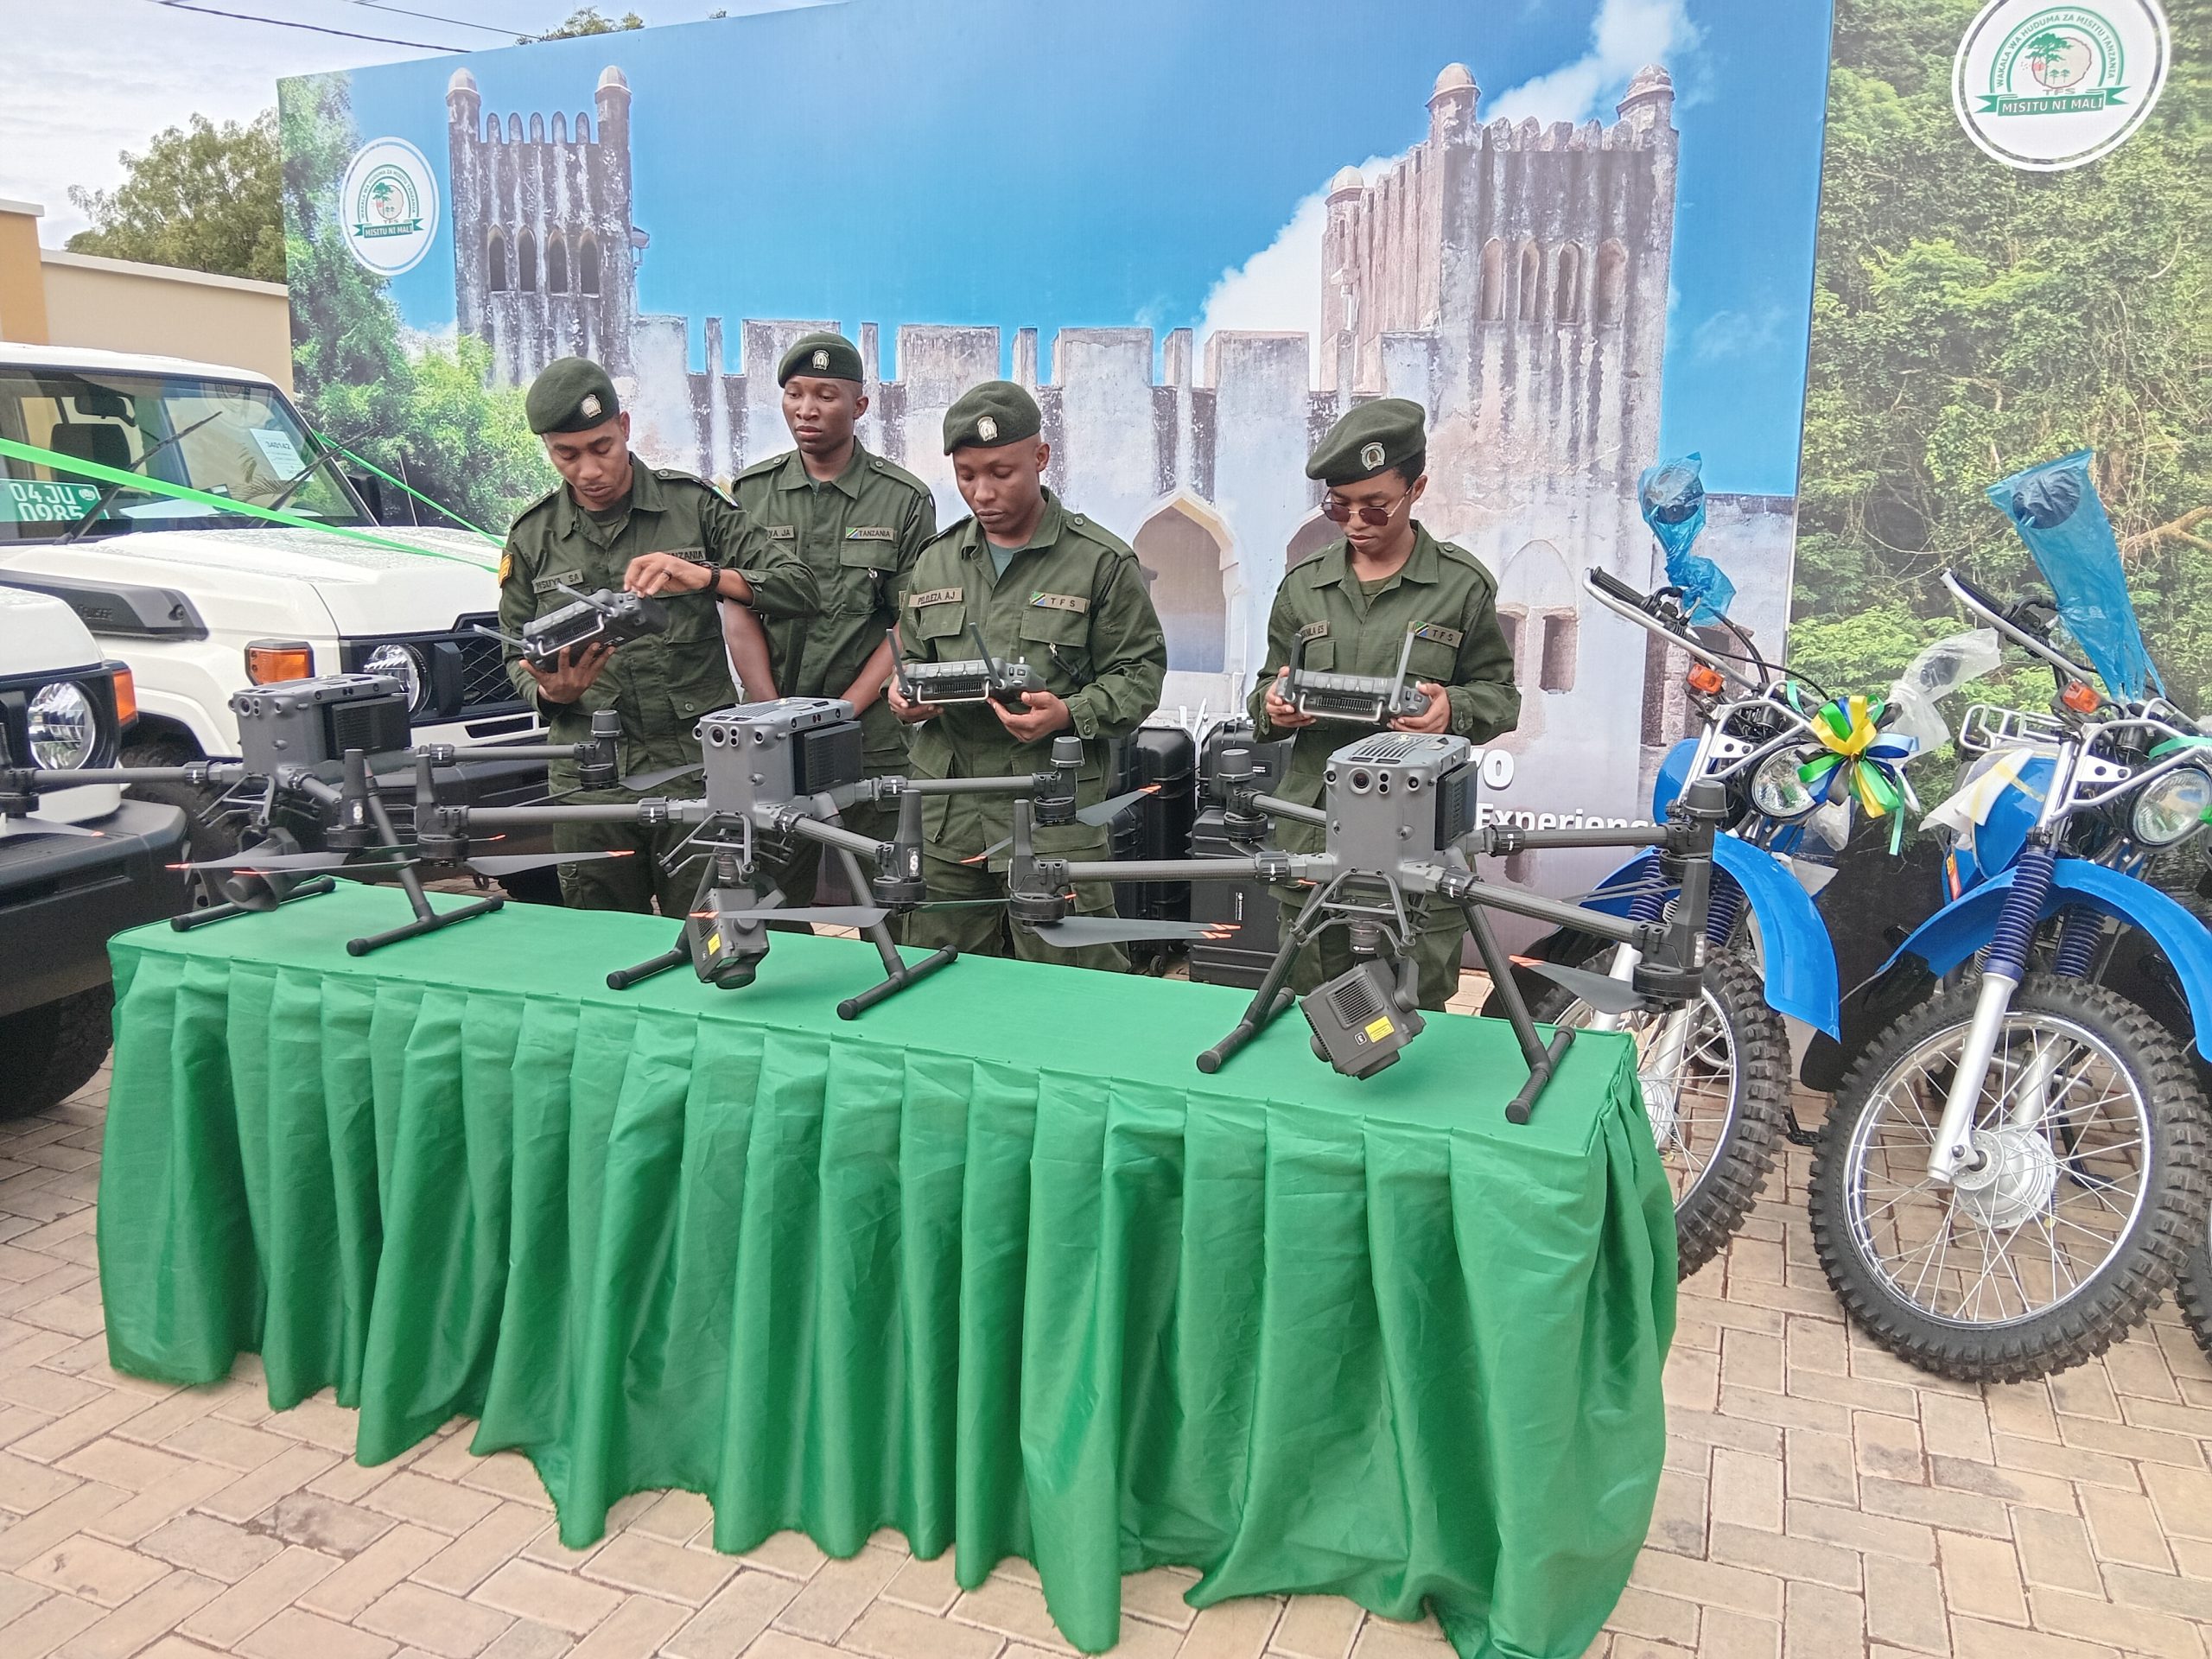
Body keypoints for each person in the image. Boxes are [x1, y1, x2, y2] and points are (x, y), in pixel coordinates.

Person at [496, 356, 817, 912]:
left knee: (718, 929)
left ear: (623, 427)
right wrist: (551, 694)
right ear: (548, 448)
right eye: (566, 455)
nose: (588, 471)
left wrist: (707, 577)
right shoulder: (532, 536)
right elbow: (512, 651)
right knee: (604, 940)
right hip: (591, 780)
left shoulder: (693, 506)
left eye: (601, 447)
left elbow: (800, 588)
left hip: (699, 770)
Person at [1248, 397, 1519, 1009]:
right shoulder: (1303, 586)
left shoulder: (1461, 586)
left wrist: (1451, 710)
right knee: (1317, 1007)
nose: (1354, 522)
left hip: (1417, 836)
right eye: (1337, 505)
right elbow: (1263, 693)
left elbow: (1502, 698)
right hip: (1318, 832)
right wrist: (1274, 706)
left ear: (1416, 489)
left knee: (1413, 1007)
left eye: (1374, 506)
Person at [887, 380, 1166, 970]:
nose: (982, 492)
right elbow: (911, 660)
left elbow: (1140, 676)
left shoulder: (1099, 562)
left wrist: (1068, 713)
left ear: (1041, 457)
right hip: (947, 815)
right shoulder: (936, 560)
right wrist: (905, 696)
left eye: (1001, 472)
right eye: (966, 475)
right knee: (939, 977)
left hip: (1053, 814)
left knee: (1074, 979)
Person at [728, 332, 936, 906]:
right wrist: (774, 715)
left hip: (869, 737)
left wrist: (839, 713)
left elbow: (908, 622)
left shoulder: (902, 499)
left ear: (859, 405)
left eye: (825, 395)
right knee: (767, 899)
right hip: (769, 739)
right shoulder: (753, 493)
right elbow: (739, 607)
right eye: (794, 393)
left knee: (890, 898)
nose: (807, 409)